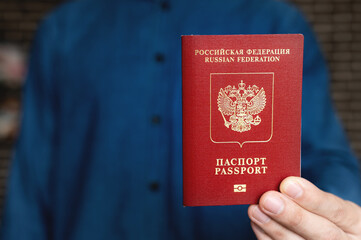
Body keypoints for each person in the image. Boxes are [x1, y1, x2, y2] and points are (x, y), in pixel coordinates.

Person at [1, 0, 361, 239]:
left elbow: (325, 155)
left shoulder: (275, 22)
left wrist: (332, 216)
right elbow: (33, 179)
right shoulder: (63, 31)